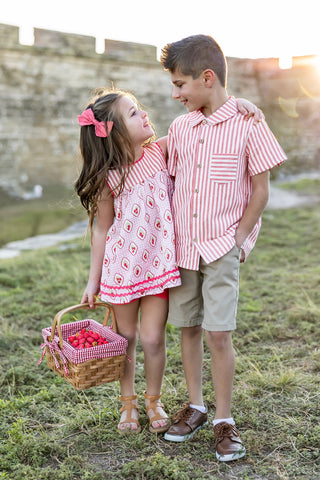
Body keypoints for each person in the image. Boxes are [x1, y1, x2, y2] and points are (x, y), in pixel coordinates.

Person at [75, 87, 263, 436]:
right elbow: (102, 230)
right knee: (126, 337)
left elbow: (202, 125)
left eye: (139, 108)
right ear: (114, 131)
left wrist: (239, 104)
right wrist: (93, 280)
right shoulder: (107, 178)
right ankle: (128, 402)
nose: (144, 114)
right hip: (122, 271)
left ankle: (153, 399)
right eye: (133, 113)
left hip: (160, 268)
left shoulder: (159, 152)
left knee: (152, 339)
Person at [160, 35, 287, 461]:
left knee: (218, 333)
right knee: (189, 327)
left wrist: (239, 238)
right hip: (184, 247)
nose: (175, 94)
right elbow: (164, 172)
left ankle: (223, 419)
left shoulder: (250, 122)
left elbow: (260, 190)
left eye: (180, 85)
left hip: (221, 245)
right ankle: (196, 407)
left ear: (207, 78)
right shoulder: (181, 128)